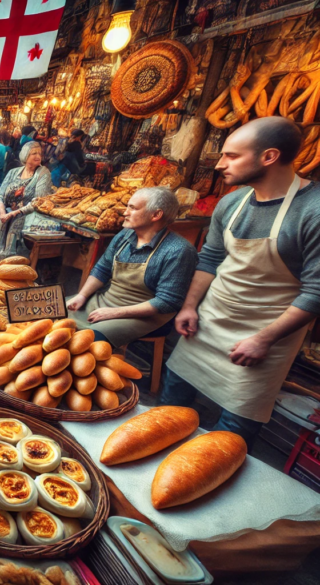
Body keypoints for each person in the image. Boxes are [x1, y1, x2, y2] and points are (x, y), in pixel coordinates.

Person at [160, 116, 319, 448]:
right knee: (168, 408)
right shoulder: (232, 203)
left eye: (232, 156)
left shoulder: (312, 212)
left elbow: (315, 292)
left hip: (265, 335)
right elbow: (211, 260)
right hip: (209, 322)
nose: (220, 165)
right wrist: (189, 306)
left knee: (227, 437)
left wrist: (264, 339)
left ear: (269, 156)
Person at [66, 187, 198, 347]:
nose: (125, 212)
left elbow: (167, 302)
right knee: (54, 313)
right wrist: (82, 296)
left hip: (144, 316)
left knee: (84, 342)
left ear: (156, 215)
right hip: (105, 302)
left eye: (133, 208)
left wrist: (115, 313)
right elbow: (102, 269)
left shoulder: (178, 250)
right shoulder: (124, 235)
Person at [0, 141, 53, 257]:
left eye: (39, 153)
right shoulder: (13, 172)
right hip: (7, 211)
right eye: (33, 153)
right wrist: (2, 212)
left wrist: (14, 213)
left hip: (28, 213)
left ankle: (11, 259)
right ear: (25, 155)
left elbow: (39, 201)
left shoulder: (43, 173)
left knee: (15, 224)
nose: (38, 156)